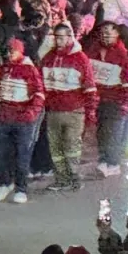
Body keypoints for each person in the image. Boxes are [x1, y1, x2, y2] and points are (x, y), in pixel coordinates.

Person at [40, 23, 98, 191]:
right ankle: (61, 178)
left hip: (74, 110)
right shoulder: (48, 58)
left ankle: (74, 176)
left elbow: (89, 85)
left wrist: (91, 110)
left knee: (72, 145)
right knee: (55, 146)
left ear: (70, 37)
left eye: (62, 37)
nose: (58, 41)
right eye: (56, 37)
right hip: (53, 110)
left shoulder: (80, 59)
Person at [0, 38, 45, 205]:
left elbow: (39, 94)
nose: (8, 54)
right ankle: (5, 182)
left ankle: (21, 188)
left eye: (12, 50)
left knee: (23, 155)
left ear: (20, 51)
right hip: (2, 118)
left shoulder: (30, 70)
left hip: (23, 120)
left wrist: (30, 113)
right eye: (7, 51)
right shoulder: (4, 69)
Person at [83, 22, 128, 178]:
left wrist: (125, 103)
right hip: (98, 98)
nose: (106, 36)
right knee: (101, 131)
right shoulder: (93, 51)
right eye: (103, 32)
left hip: (114, 100)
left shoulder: (123, 56)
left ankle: (113, 163)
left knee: (112, 131)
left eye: (109, 33)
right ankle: (104, 160)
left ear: (117, 35)